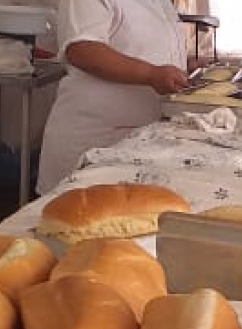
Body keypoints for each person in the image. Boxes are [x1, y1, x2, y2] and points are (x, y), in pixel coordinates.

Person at [36, 0, 190, 195]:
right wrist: (151, 74)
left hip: (141, 140)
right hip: (95, 138)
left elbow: (149, 50)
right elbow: (82, 49)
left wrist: (184, 71)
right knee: (80, 217)